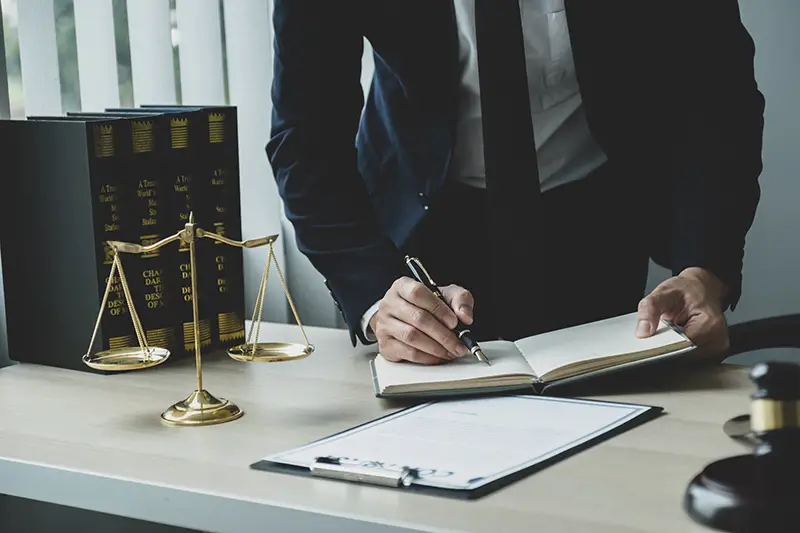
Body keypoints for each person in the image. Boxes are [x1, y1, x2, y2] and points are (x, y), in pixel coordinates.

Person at [266, 0, 765, 365]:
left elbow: (719, 97)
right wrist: (375, 296)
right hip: (419, 235)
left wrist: (705, 268)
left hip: (599, 218)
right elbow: (305, 137)